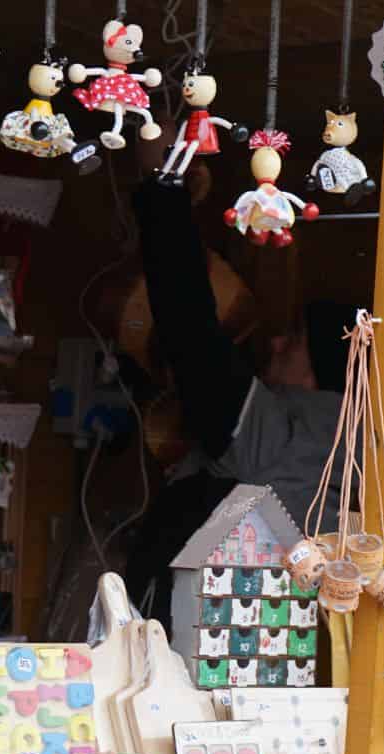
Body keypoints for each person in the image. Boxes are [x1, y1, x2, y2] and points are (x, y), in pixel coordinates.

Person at [123, 177, 349, 621]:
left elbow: (189, 330)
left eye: (298, 340)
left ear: (323, 369)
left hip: (211, 646)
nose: (279, 343)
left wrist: (163, 189)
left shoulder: (289, 432)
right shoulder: (355, 438)